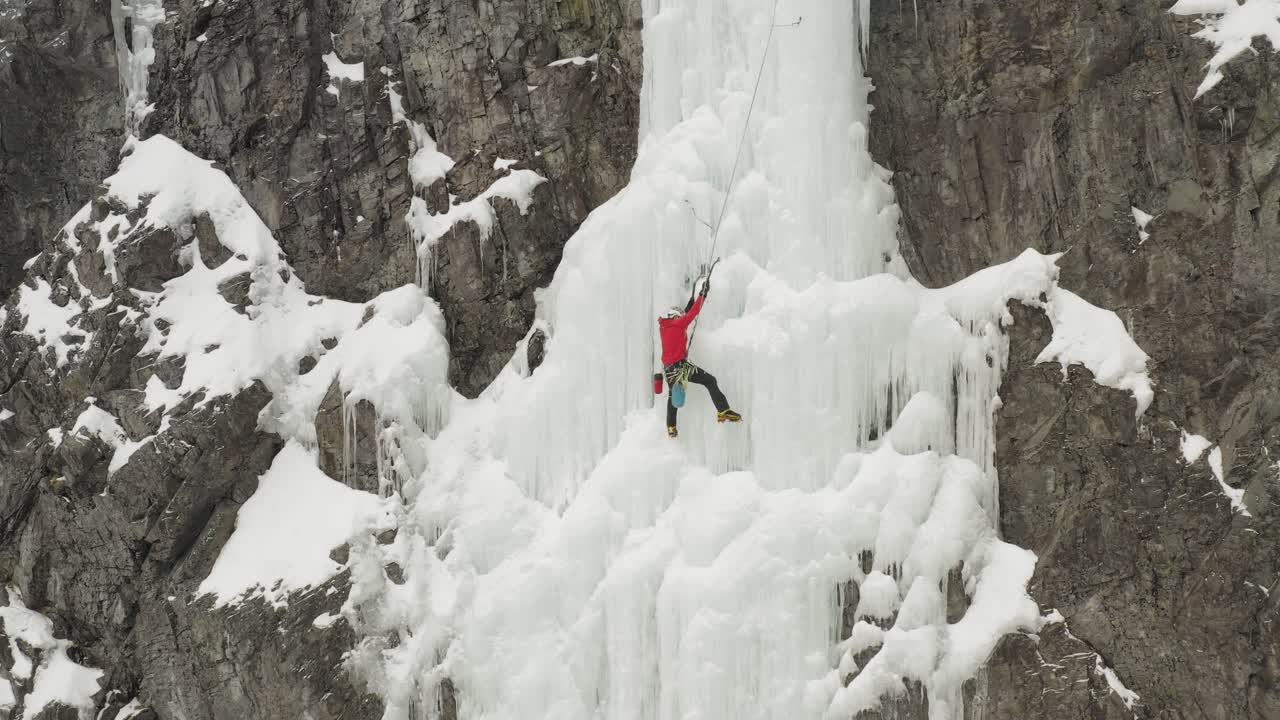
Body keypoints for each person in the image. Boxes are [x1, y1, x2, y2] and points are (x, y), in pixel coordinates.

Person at [657, 275, 741, 437]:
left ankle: (671, 427)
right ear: (674, 316)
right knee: (710, 381)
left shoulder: (664, 326)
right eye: (679, 315)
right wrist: (703, 294)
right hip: (680, 367)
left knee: (673, 395)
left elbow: (685, 314)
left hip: (669, 369)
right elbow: (692, 313)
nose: (680, 317)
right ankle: (723, 410)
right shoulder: (678, 323)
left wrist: (690, 303)